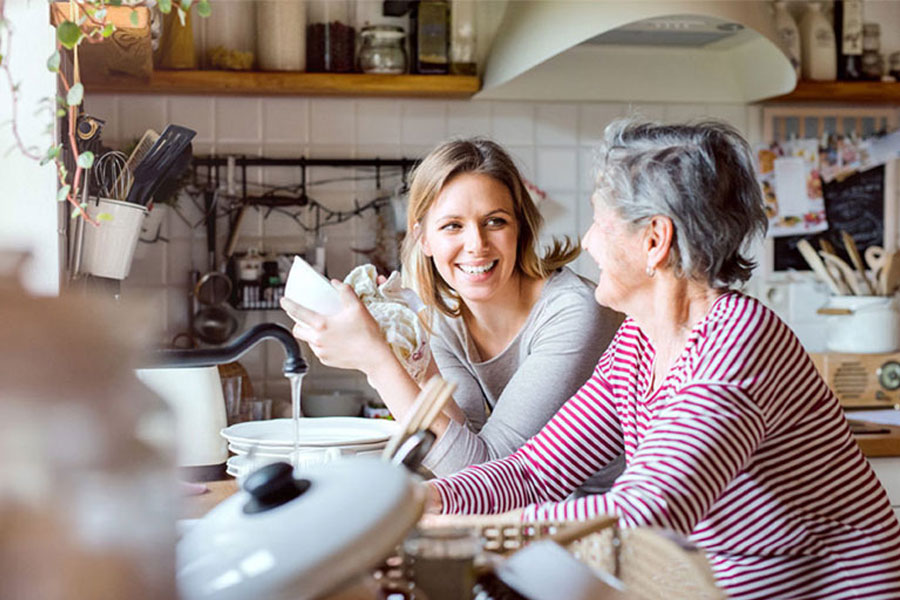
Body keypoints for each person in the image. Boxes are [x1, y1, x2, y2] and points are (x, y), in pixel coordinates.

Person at [424, 120, 900, 599]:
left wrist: (461, 533)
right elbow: (534, 471)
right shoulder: (639, 341)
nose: (586, 241)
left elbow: (642, 513)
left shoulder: (737, 342)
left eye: (598, 220)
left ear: (654, 240)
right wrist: (429, 500)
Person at [281, 138, 624, 484]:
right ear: (423, 238)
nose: (476, 244)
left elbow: (488, 474)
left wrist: (377, 360)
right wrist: (411, 355)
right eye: (452, 226)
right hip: (533, 512)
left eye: (495, 221)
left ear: (520, 229)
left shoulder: (573, 312)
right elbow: (462, 447)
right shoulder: (443, 317)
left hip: (610, 517)